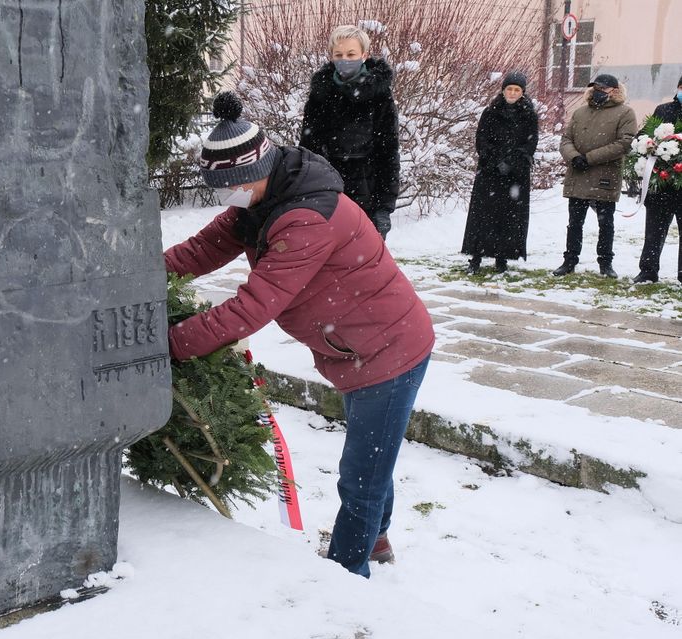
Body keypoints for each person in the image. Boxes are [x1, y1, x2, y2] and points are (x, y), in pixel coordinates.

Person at [167, 91, 435, 578]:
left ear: (252, 173)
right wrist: (139, 275)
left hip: (390, 350)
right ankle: (376, 540)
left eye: (226, 187)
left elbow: (253, 306)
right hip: (356, 350)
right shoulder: (261, 201)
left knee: (360, 476)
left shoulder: (305, 217)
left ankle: (346, 578)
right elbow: (199, 251)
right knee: (372, 454)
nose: (222, 198)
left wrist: (169, 343)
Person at [299, 25, 400, 240]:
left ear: (364, 55)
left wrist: (384, 206)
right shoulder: (321, 94)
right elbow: (309, 148)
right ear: (331, 57)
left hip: (368, 189)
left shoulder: (379, 95)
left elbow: (388, 151)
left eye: (351, 54)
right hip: (328, 189)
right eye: (339, 54)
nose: (344, 59)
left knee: (364, 263)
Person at [554, 73, 638, 278]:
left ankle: (605, 263)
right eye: (595, 88)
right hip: (578, 174)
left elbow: (624, 143)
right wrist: (574, 157)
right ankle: (570, 260)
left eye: (603, 89)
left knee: (605, 223)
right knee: (574, 222)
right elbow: (566, 139)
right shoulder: (580, 112)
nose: (598, 92)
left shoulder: (625, 113)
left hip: (605, 175)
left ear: (614, 91)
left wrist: (589, 158)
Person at [461, 71, 539, 274]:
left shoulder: (529, 115)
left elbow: (530, 143)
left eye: (517, 90)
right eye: (509, 89)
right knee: (483, 216)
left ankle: (502, 258)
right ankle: (476, 256)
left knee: (509, 217)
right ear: (503, 90)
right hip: (490, 174)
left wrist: (512, 163)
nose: (512, 93)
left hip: (515, 176)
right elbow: (481, 140)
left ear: (522, 92)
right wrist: (495, 161)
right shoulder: (490, 112)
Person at [633, 75, 682, 284]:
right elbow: (643, 136)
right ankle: (648, 270)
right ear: (678, 88)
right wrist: (647, 145)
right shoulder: (663, 110)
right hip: (661, 184)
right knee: (654, 230)